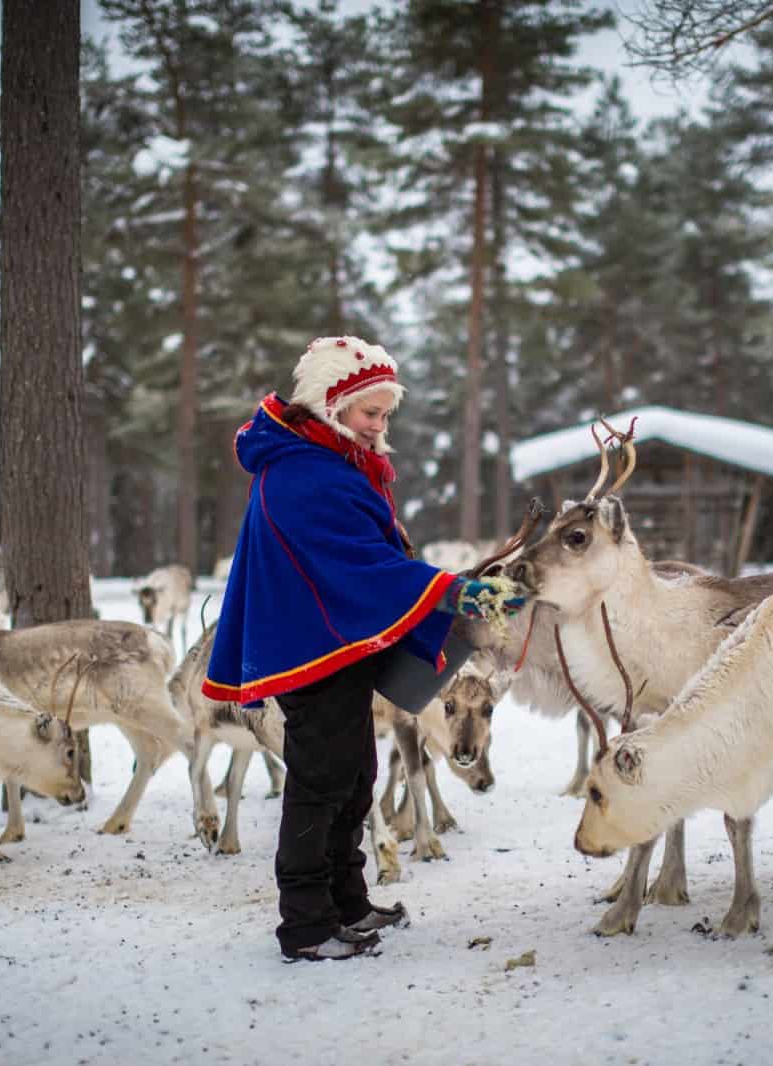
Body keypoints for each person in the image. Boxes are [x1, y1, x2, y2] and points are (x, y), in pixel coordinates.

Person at [204, 335, 525, 962]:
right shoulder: (303, 472)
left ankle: (346, 900)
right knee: (320, 781)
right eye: (369, 412)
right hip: (309, 648)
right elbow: (355, 564)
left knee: (356, 774)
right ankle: (305, 924)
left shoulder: (333, 461)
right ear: (329, 403)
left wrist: (442, 587)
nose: (379, 425)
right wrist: (448, 591)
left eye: (384, 414)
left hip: (335, 643)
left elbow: (369, 558)